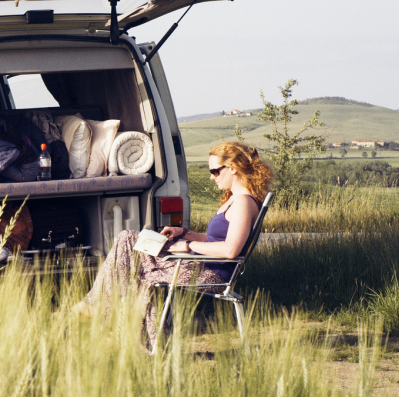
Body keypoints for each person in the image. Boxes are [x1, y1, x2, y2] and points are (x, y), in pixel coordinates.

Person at [74, 140, 272, 351]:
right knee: (129, 240)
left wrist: (187, 246)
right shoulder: (235, 199)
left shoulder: (243, 202)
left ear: (232, 168)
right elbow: (215, 239)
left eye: (215, 171)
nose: (211, 177)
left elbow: (231, 250)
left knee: (137, 257)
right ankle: (116, 323)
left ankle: (103, 314)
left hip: (210, 273)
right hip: (200, 262)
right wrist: (184, 233)